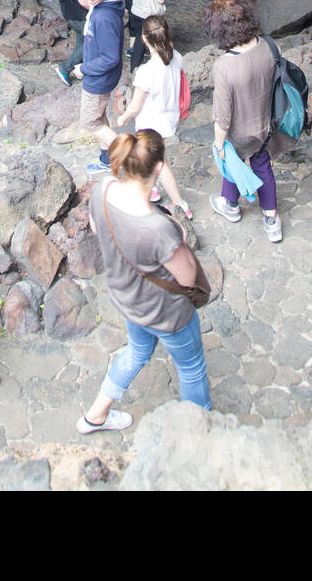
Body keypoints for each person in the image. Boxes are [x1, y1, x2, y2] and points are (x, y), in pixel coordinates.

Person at [78, 129, 211, 434]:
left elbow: (99, 230)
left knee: (137, 352)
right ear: (159, 169)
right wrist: (178, 233)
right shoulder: (158, 228)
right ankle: (199, 431)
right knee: (191, 368)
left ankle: (95, 415)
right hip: (166, 314)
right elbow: (187, 276)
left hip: (129, 301)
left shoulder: (103, 189)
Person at [203, 0, 282, 242]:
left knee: (232, 166)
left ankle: (231, 206)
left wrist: (219, 144)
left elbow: (223, 114)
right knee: (263, 167)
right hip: (265, 125)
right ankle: (271, 219)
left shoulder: (224, 66)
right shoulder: (268, 45)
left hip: (238, 131)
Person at [114, 16, 192, 216]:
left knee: (160, 163)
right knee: (150, 158)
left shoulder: (146, 72)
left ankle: (180, 204)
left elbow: (135, 106)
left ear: (144, 39)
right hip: (169, 118)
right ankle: (153, 190)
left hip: (151, 125)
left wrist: (123, 118)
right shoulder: (177, 57)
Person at [73, 0, 126, 177]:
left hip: (99, 78)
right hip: (102, 75)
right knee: (100, 116)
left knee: (90, 121)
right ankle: (107, 159)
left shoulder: (104, 17)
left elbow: (110, 57)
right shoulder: (103, 6)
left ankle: (129, 155)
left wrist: (84, 69)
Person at [51, 0, 85, 86]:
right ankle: (64, 68)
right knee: (89, 42)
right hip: (79, 15)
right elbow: (83, 1)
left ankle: (81, 69)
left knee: (81, 41)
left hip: (67, 13)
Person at [126, 0, 167, 71]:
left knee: (139, 36)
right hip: (147, 15)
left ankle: (134, 66)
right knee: (149, 40)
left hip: (135, 12)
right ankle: (137, 68)